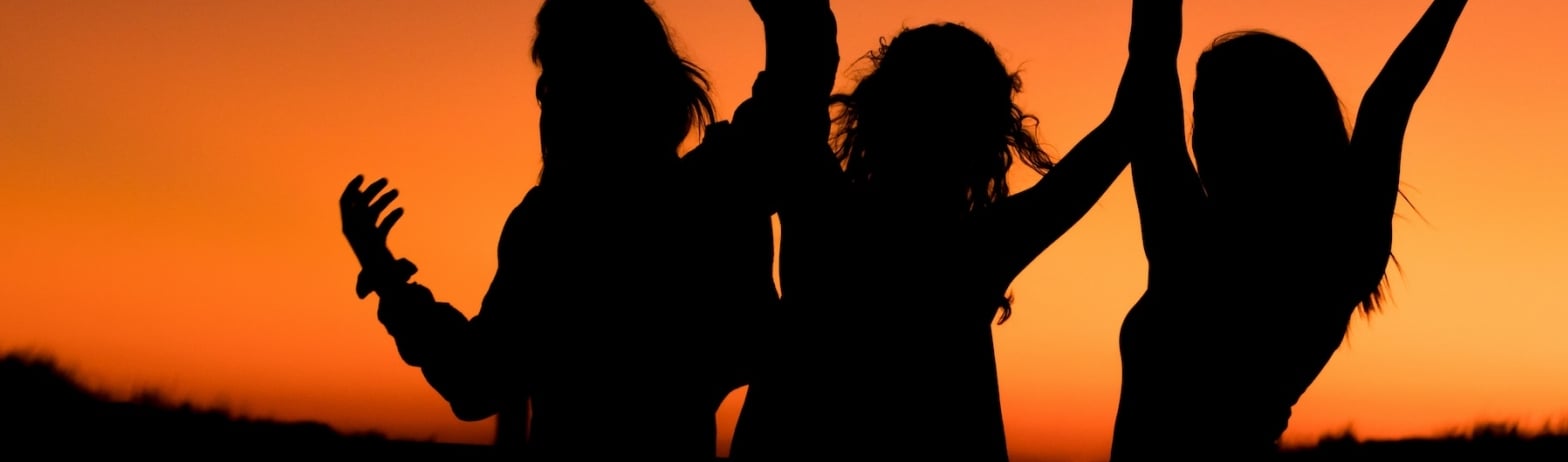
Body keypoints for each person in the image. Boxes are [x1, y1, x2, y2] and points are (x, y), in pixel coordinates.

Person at [337, 0, 837, 458]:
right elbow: (795, 93)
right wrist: (792, 10)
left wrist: (386, 277)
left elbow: (475, 381)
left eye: (555, 78)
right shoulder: (709, 192)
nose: (547, 98)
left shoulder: (552, 226)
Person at [726, 1, 1180, 460]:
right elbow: (1130, 119)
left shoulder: (821, 211)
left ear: (876, 111)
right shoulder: (978, 250)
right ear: (989, 140)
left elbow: (804, 39)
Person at [1110, 1, 1468, 460]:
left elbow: (1152, 59)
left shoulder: (1190, 244)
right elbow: (1388, 101)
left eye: (1215, 119)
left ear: (1264, 129)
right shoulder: (1342, 250)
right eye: (1199, 119)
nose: (1198, 139)